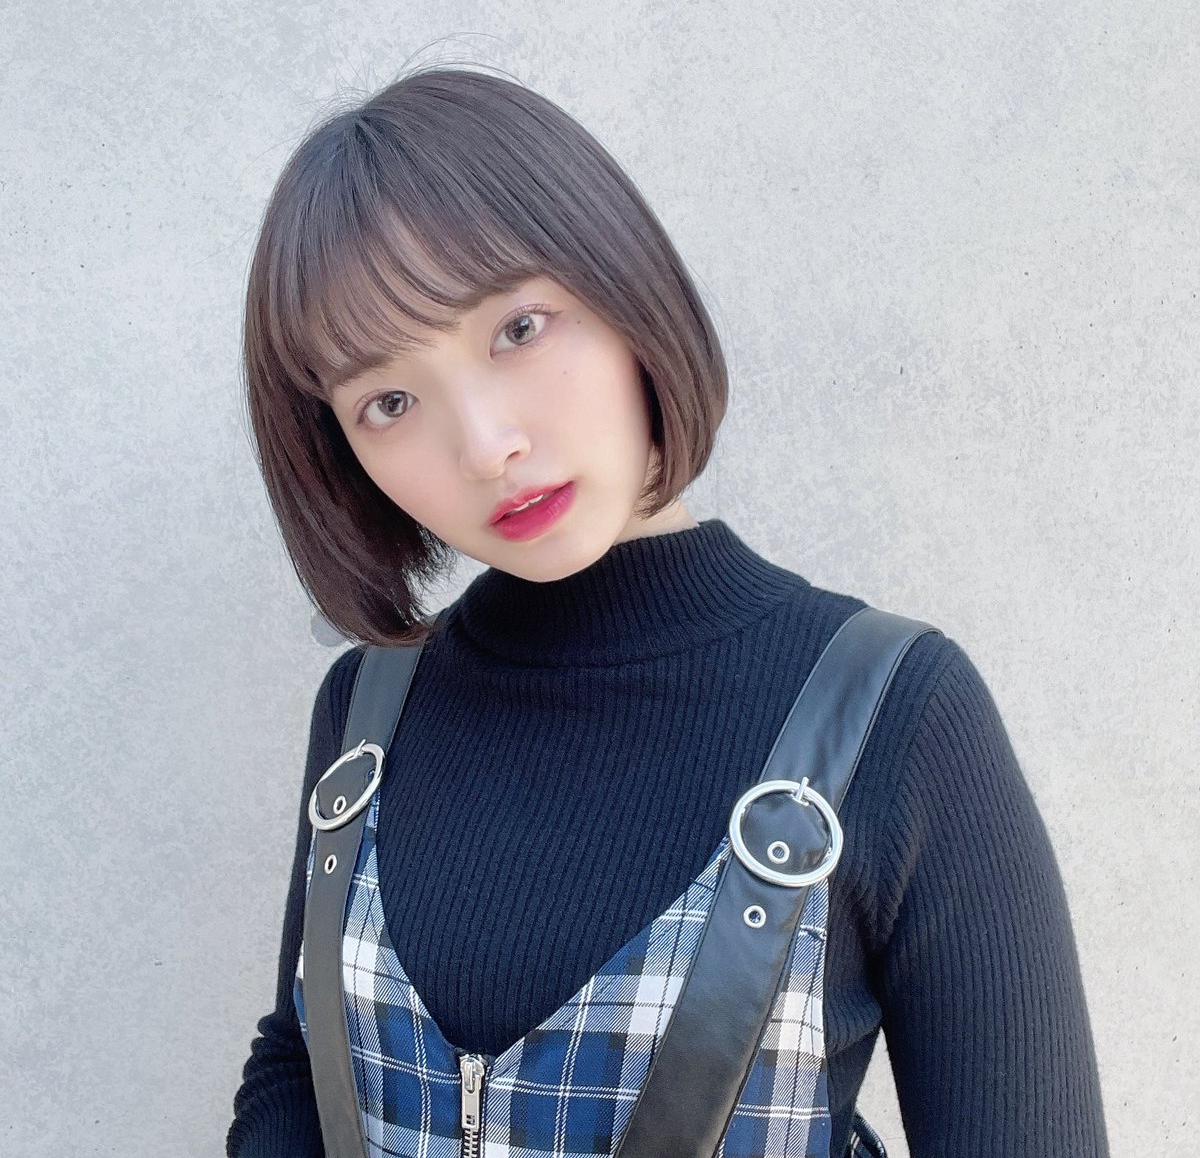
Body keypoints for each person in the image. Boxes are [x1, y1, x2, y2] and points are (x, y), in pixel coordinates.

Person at [225, 64, 1109, 1158]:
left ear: (623, 284)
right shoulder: (367, 713)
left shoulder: (895, 715)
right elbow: (300, 1054)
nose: (486, 445)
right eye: (389, 400)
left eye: (518, 327)